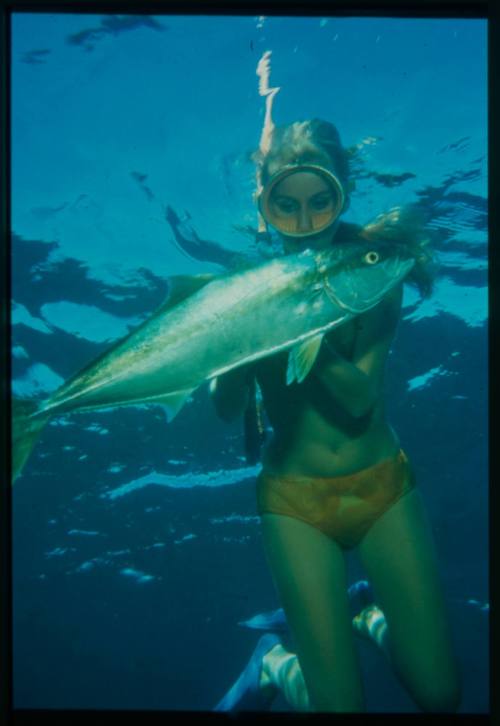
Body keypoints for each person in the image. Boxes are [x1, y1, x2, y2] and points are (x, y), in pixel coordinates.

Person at [210, 119, 461, 713]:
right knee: (338, 709)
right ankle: (274, 660)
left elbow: (358, 401)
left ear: (341, 194)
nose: (304, 222)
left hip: (382, 489)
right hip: (293, 502)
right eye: (286, 206)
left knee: (442, 695)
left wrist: (297, 323)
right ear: (265, 205)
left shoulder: (374, 269)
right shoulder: (248, 287)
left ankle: (370, 619)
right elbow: (226, 409)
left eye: (320, 203)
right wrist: (241, 343)